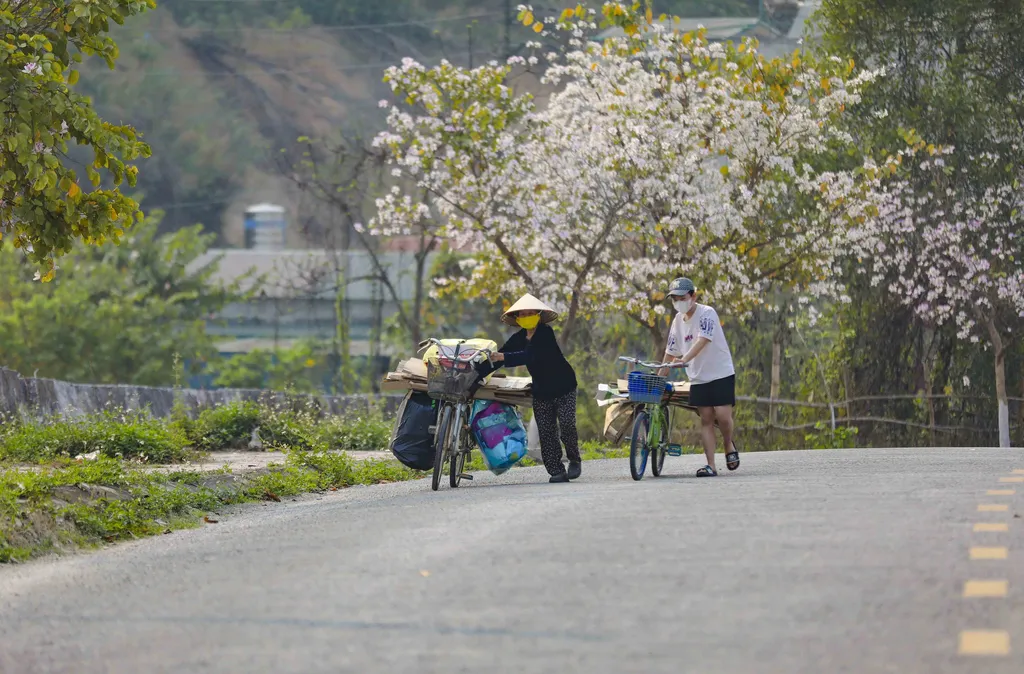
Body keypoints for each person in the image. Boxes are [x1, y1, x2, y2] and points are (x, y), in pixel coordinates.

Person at [485, 294, 582, 483]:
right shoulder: (519, 338)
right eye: (523, 314)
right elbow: (500, 356)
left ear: (538, 315)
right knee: (546, 432)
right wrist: (478, 370)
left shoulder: (545, 333)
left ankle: (574, 459)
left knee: (567, 424)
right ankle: (556, 471)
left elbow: (531, 355)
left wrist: (503, 357)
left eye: (530, 313)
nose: (527, 317)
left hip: (564, 386)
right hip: (541, 391)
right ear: (518, 318)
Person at [662, 277, 740, 477]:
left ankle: (728, 443)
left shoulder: (707, 313)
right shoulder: (677, 321)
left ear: (693, 296)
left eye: (682, 298)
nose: (679, 302)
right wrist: (661, 374)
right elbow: (670, 350)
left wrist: (684, 359)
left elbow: (703, 339)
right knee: (706, 419)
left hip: (720, 372)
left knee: (723, 417)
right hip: (698, 376)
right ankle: (711, 465)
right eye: (675, 299)